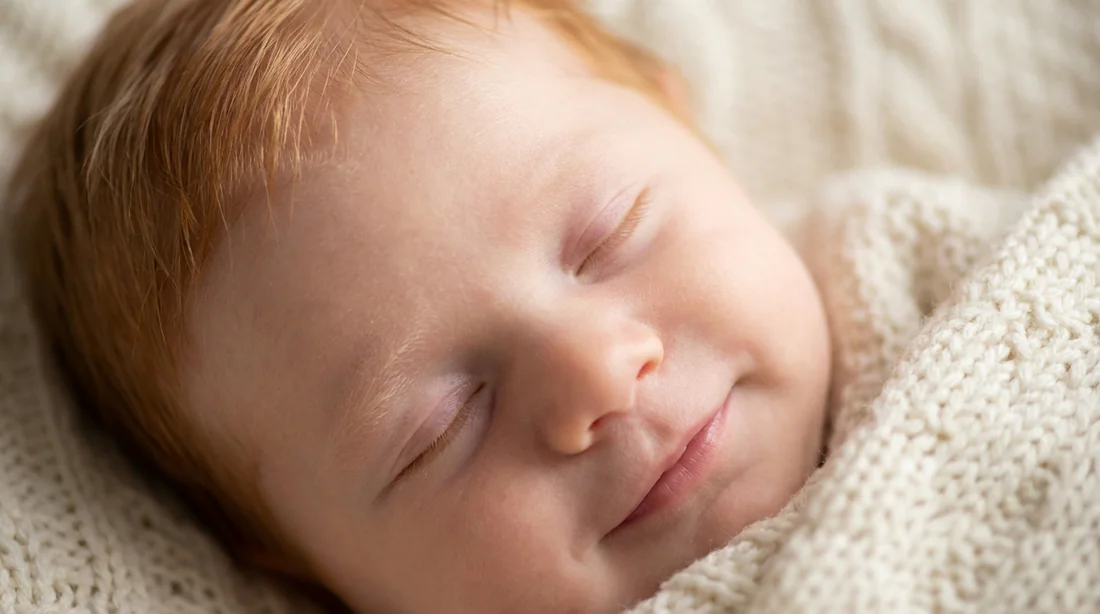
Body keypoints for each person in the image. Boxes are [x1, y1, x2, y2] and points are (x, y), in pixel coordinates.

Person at [10, 0, 831, 611]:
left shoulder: (901, 273)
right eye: (442, 426)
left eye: (611, 237)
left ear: (678, 115)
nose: (597, 376)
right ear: (308, 572)